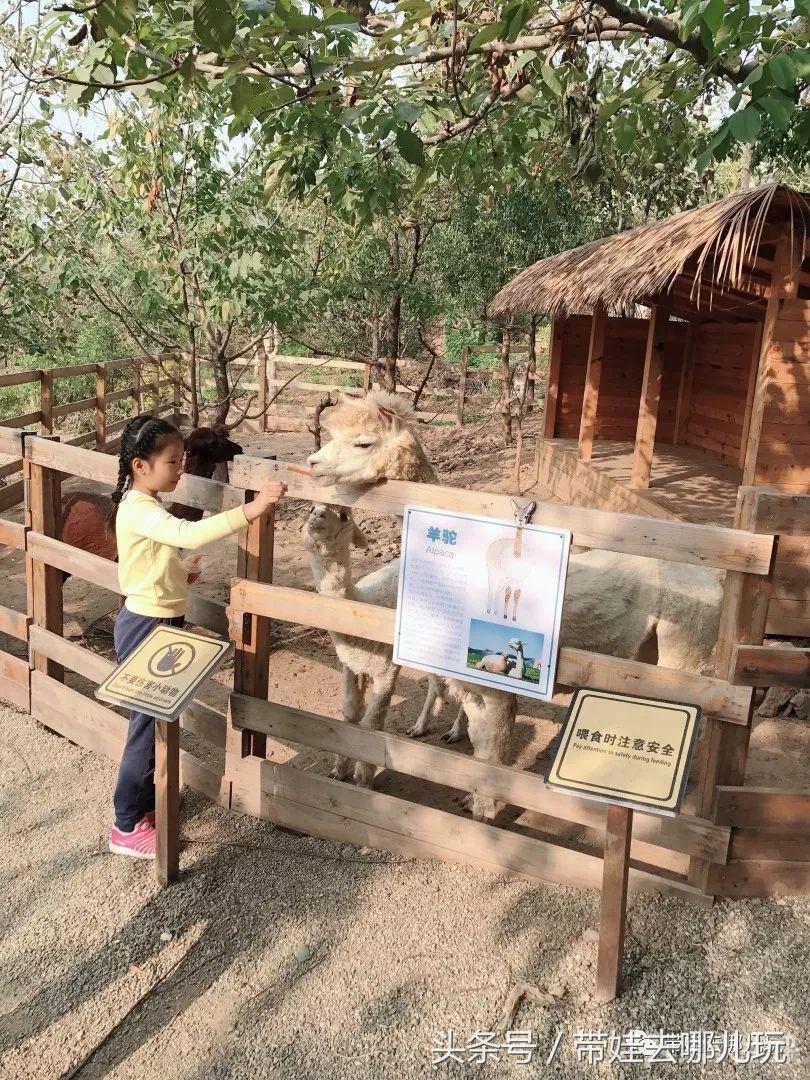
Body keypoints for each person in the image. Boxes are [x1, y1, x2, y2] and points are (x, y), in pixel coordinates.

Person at [107, 415, 286, 859]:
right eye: (171, 461)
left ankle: (148, 802)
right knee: (145, 729)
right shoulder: (140, 508)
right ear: (140, 465)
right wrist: (252, 509)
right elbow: (185, 533)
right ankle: (126, 826)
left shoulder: (144, 501)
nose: (180, 468)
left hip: (159, 620)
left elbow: (150, 558)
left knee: (159, 723)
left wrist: (175, 572)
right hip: (147, 626)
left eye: (182, 458)